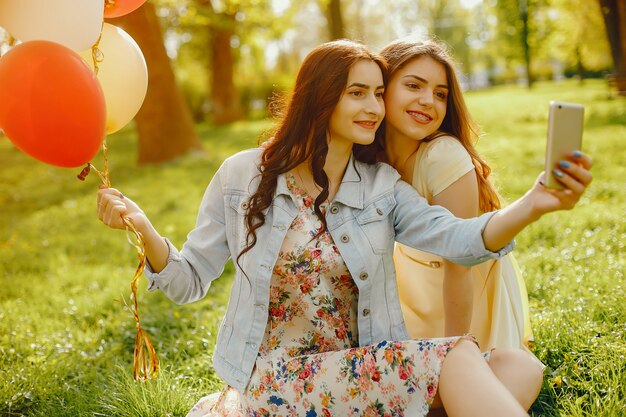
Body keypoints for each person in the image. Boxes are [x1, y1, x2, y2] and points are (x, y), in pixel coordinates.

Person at [97, 40, 592, 416]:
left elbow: (460, 239)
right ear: (321, 98)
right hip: (274, 381)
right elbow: (187, 282)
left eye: (379, 93)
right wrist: (143, 227)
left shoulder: (380, 187)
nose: (375, 107)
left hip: (357, 375)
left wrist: (535, 203)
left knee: (517, 365)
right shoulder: (241, 176)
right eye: (358, 93)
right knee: (461, 357)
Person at [373, 38, 535, 351]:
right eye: (413, 86)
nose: (428, 101)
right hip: (411, 287)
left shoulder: (442, 155)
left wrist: (452, 352)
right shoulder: (368, 159)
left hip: (463, 298)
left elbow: (460, 264)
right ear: (383, 88)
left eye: (440, 94)